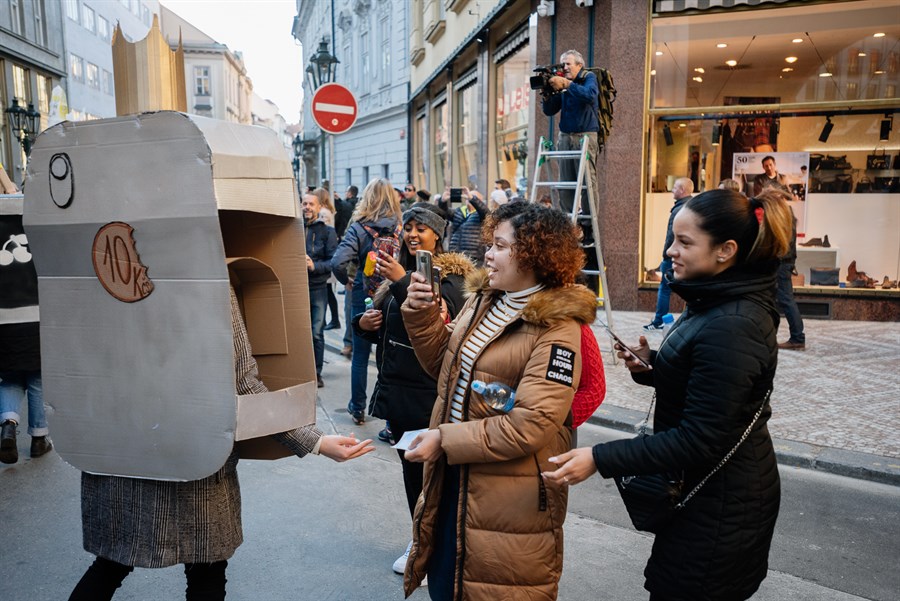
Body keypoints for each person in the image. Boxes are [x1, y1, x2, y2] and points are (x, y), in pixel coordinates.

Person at [543, 188, 791, 601]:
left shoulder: (733, 322)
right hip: (707, 495)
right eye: (673, 238)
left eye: (685, 242)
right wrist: (654, 365)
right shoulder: (715, 297)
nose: (670, 251)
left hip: (722, 504)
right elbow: (710, 381)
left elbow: (701, 438)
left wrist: (600, 458)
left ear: (726, 250)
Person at [68, 286, 374, 601]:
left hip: (120, 449)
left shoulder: (99, 278)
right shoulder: (207, 282)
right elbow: (244, 385)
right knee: (206, 572)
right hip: (197, 453)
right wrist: (316, 441)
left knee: (110, 565)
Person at [400, 203, 597, 600]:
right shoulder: (487, 299)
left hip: (509, 493)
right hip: (456, 474)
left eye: (500, 246)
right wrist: (422, 314)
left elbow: (531, 424)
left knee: (494, 586)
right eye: (490, 244)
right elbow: (444, 368)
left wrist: (445, 440)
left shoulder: (558, 326)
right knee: (448, 583)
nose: (487, 254)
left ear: (534, 255)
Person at [354, 202, 475, 577]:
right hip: (398, 393)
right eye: (408, 227)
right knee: (412, 475)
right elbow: (391, 325)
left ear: (438, 235)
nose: (412, 234)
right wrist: (364, 324)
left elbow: (438, 318)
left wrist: (402, 279)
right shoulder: (397, 278)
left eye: (421, 228)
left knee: (431, 477)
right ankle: (422, 540)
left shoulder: (451, 280)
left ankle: (428, 548)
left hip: (427, 393)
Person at [331, 177, 402, 425]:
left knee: (360, 356)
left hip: (365, 296)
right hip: (393, 295)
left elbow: (337, 262)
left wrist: (347, 281)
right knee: (389, 354)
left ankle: (358, 408)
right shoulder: (401, 227)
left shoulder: (359, 228)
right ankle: (389, 417)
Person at [540, 49, 599, 217]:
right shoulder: (563, 82)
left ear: (579, 65)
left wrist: (567, 84)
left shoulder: (588, 77)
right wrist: (547, 95)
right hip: (565, 136)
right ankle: (567, 220)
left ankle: (588, 223)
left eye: (568, 64)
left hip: (585, 136)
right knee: (565, 182)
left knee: (588, 182)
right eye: (562, 64)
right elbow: (550, 110)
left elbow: (590, 95)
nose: (564, 67)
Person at [644, 177, 693, 331]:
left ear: (682, 190)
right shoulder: (690, 207)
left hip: (673, 257)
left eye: (675, 187)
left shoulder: (679, 210)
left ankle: (659, 321)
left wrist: (666, 254)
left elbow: (671, 236)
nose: (672, 189)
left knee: (664, 289)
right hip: (684, 256)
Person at [302, 192, 338, 387]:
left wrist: (314, 266)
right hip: (297, 289)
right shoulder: (294, 228)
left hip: (318, 288)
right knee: (300, 332)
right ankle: (302, 371)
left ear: (318, 207)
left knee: (316, 332)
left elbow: (333, 262)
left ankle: (316, 373)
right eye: (304, 203)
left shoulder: (327, 232)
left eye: (311, 204)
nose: (307, 207)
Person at [772, 190, 806, 351]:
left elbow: (782, 243)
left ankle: (797, 338)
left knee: (786, 300)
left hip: (782, 263)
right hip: (784, 262)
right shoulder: (787, 214)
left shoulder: (783, 216)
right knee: (783, 300)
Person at [448, 189, 488, 265]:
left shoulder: (481, 214)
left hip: (473, 258)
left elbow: (486, 212)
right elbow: (443, 211)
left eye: (474, 197)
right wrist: (442, 201)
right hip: (455, 256)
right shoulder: (459, 211)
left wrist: (472, 199)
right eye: (468, 196)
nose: (469, 198)